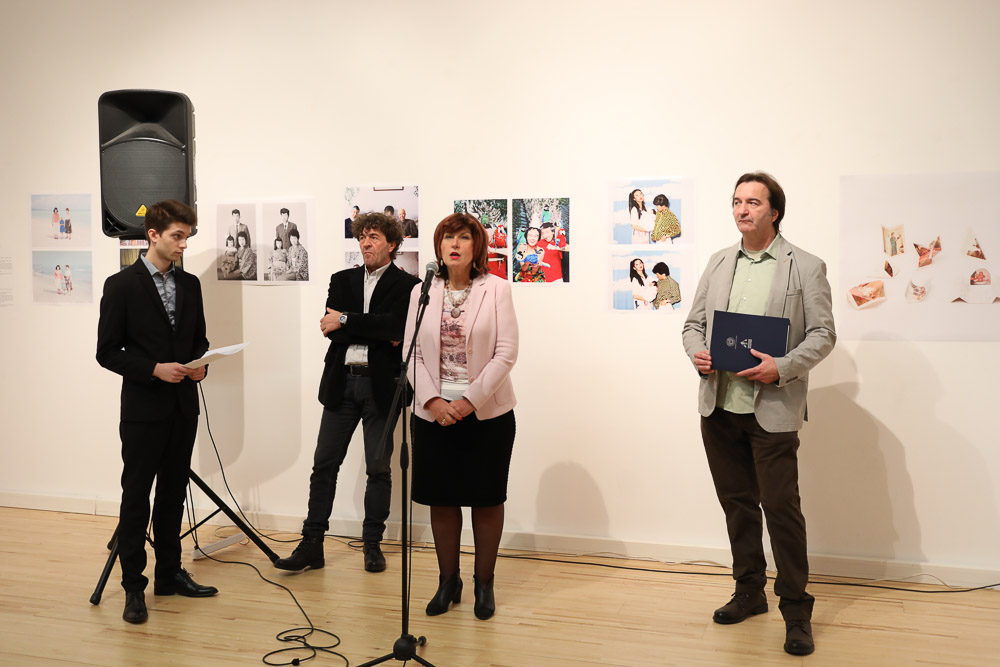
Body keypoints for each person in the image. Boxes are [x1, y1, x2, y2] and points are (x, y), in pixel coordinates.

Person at [681, 173, 835, 656]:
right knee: (737, 505)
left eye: (752, 202)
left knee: (781, 509)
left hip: (772, 410)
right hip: (719, 405)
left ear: (774, 211)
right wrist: (696, 352)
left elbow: (824, 334)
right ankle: (749, 591)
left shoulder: (805, 266)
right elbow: (693, 324)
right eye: (736, 202)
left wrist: (782, 367)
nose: (742, 210)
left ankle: (796, 610)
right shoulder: (718, 261)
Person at [274, 212, 419, 574]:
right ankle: (312, 544)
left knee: (378, 468)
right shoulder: (342, 280)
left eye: (374, 237)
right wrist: (369, 328)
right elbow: (331, 330)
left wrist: (347, 319)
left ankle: (372, 544)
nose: (366, 243)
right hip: (342, 383)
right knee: (324, 465)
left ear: (392, 244)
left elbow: (397, 328)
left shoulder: (409, 285)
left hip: (382, 386)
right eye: (362, 237)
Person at [96, 199, 217, 625]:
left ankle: (169, 573)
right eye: (177, 236)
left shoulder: (191, 285)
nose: (184, 244)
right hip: (143, 409)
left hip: (183, 407)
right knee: (136, 498)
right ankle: (134, 586)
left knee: (172, 494)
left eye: (187, 237)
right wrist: (153, 369)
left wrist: (201, 365)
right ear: (153, 235)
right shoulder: (121, 285)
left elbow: (199, 339)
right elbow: (107, 352)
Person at [404, 213, 518, 621]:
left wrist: (469, 401)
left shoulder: (497, 289)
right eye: (447, 237)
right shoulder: (422, 291)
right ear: (439, 246)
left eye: (463, 237)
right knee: (442, 499)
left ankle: (484, 583)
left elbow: (506, 352)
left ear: (476, 246)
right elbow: (412, 352)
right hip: (433, 416)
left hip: (486, 415)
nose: (454, 244)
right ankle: (447, 581)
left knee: (486, 499)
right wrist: (433, 401)